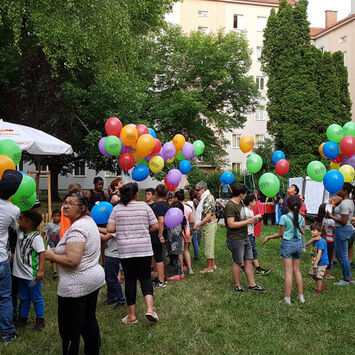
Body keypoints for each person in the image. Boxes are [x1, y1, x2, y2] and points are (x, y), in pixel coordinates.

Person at [44, 194, 105, 355]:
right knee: (87, 320)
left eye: (71, 204)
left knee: (70, 328)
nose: (65, 206)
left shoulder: (78, 228)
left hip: (77, 286)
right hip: (92, 280)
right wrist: (59, 250)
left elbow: (72, 260)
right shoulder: (87, 221)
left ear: (82, 208)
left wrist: (51, 256)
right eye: (65, 202)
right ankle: (93, 349)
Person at [106, 183, 159, 324]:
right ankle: (149, 309)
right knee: (145, 278)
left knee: (130, 281)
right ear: (136, 194)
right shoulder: (144, 207)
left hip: (126, 250)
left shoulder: (117, 209)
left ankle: (132, 316)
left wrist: (123, 226)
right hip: (144, 249)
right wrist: (142, 228)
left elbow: (110, 228)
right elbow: (155, 225)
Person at [263, 195, 305, 304]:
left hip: (288, 245)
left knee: (288, 272)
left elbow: (280, 234)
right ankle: (301, 297)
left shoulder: (284, 218)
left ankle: (287, 299)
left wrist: (269, 237)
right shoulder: (301, 218)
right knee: (297, 271)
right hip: (298, 244)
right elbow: (301, 232)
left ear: (287, 205)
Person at [224, 184, 265, 293]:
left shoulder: (240, 204)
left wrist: (252, 218)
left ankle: (253, 285)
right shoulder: (230, 206)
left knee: (248, 260)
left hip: (245, 236)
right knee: (238, 262)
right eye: (245, 193)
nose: (246, 195)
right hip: (236, 238)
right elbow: (231, 224)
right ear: (241, 194)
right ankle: (237, 285)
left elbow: (241, 217)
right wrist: (248, 222)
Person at [12, 211, 45, 330]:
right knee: (24, 298)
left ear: (29, 223)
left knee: (36, 297)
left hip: (32, 275)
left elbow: (42, 254)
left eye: (23, 220)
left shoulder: (36, 238)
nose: (19, 221)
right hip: (19, 274)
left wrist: (40, 270)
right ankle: (22, 318)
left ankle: (40, 320)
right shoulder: (20, 232)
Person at [0, 170, 22, 342]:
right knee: (5, 297)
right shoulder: (13, 210)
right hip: (1, 259)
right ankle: (7, 333)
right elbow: (15, 228)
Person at [327, 182, 354, 285]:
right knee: (340, 254)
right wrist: (334, 209)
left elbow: (343, 220)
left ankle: (347, 279)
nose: (338, 190)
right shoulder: (346, 201)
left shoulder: (346, 203)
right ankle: (348, 277)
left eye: (340, 189)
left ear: (345, 191)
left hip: (343, 229)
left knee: (342, 255)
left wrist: (331, 216)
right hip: (344, 230)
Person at [191, 181, 217, 273]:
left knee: (208, 245)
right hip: (209, 224)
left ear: (203, 189)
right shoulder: (207, 197)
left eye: (197, 190)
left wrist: (196, 226)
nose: (196, 192)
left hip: (209, 224)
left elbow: (208, 216)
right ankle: (213, 264)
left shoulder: (207, 198)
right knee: (209, 244)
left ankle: (209, 267)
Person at [243, 193, 270, 276]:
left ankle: (244, 266)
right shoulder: (245, 210)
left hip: (250, 233)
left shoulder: (250, 211)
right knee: (253, 250)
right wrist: (255, 217)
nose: (256, 202)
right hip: (246, 234)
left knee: (248, 250)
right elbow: (244, 218)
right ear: (250, 202)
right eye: (255, 201)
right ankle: (258, 268)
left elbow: (251, 223)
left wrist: (257, 220)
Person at [149, 184, 169, 288]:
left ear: (156, 193)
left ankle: (161, 280)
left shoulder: (159, 205)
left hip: (157, 235)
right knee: (158, 256)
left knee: (158, 257)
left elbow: (161, 221)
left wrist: (160, 235)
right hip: (160, 234)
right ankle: (160, 277)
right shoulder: (165, 204)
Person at [100, 232, 126, 307]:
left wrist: (93, 228)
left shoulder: (117, 226)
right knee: (109, 278)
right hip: (110, 254)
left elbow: (104, 237)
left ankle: (120, 300)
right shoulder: (114, 227)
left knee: (112, 279)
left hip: (113, 256)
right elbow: (107, 230)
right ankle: (111, 298)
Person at [305, 223, 329, 296]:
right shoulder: (315, 240)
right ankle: (321, 285)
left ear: (320, 232)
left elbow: (320, 253)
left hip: (321, 263)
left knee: (318, 277)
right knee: (312, 274)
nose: (312, 231)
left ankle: (319, 290)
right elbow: (306, 244)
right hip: (316, 262)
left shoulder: (321, 241)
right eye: (311, 230)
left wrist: (316, 263)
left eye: (314, 230)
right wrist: (314, 239)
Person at [174, 189, 194, 275]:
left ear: (176, 198)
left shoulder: (175, 207)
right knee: (186, 250)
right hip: (187, 229)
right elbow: (192, 220)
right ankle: (190, 269)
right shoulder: (188, 207)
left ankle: (181, 270)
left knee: (180, 252)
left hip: (179, 229)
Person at [166, 201, 186, 281]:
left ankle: (178, 274)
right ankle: (180, 273)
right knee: (176, 256)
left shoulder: (176, 218)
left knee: (176, 257)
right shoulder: (181, 217)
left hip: (176, 241)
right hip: (176, 240)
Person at [316, 201, 335, 280]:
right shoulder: (331, 221)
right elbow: (335, 229)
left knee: (321, 255)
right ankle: (327, 274)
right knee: (329, 257)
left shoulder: (319, 220)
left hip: (321, 240)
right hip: (330, 240)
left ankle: (318, 270)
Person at [42, 209, 61, 279]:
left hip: (59, 244)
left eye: (57, 216)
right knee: (53, 258)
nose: (56, 217)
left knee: (59, 258)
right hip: (51, 244)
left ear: (61, 217)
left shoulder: (63, 225)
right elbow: (43, 233)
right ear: (52, 217)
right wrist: (41, 240)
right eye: (54, 216)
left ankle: (60, 270)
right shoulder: (49, 225)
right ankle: (55, 272)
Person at [187, 189, 200, 261]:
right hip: (195, 222)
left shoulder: (189, 203)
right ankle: (196, 256)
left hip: (190, 223)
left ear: (190, 196)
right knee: (195, 240)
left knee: (188, 241)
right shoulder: (196, 202)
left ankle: (186, 255)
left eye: (188, 194)